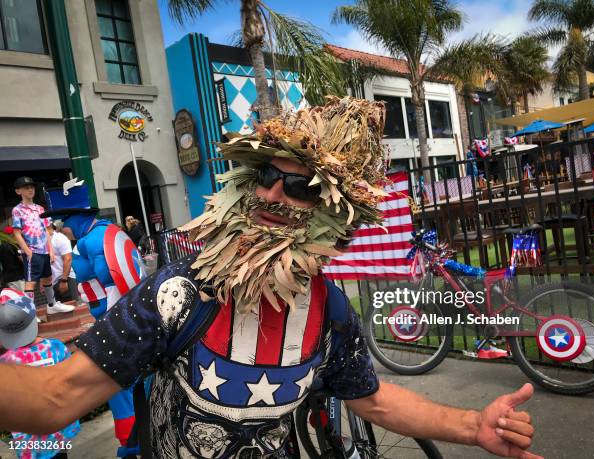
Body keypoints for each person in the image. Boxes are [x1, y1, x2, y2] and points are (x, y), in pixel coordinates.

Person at [0, 98, 540, 459]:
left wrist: (473, 428)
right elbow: (54, 399)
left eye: (301, 187)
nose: (272, 195)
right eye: (266, 176)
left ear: (336, 215)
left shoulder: (328, 312)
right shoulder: (178, 294)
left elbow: (372, 401)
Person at [40, 181, 146, 458]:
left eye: (60, 220)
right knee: (122, 387)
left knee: (121, 385)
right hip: (114, 321)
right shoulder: (95, 237)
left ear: (75, 217)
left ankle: (135, 441)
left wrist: (112, 327)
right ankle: (134, 440)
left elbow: (121, 285)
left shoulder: (98, 239)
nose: (58, 226)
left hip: (120, 323)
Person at [0, 287, 80, 459]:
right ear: (33, 320)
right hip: (58, 428)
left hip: (27, 437)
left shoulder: (5, 364)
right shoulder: (56, 348)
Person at [11, 177, 73, 315]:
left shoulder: (40, 209)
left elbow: (47, 231)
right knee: (31, 282)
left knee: (48, 278)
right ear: (18, 191)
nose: (30, 189)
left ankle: (52, 305)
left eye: (31, 187)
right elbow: (17, 233)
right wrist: (27, 252)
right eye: (26, 187)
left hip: (44, 251)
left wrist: (50, 250)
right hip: (32, 251)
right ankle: (30, 313)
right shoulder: (17, 210)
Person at [49, 221, 79, 304]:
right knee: (60, 312)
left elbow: (68, 259)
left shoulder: (59, 238)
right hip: (52, 282)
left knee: (72, 307)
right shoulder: (42, 240)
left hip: (65, 279)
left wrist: (64, 281)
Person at [0, 226, 25, 291]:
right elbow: (23, 260)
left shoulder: (2, 246)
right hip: (17, 277)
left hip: (7, 278)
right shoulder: (13, 245)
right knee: (23, 297)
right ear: (12, 234)